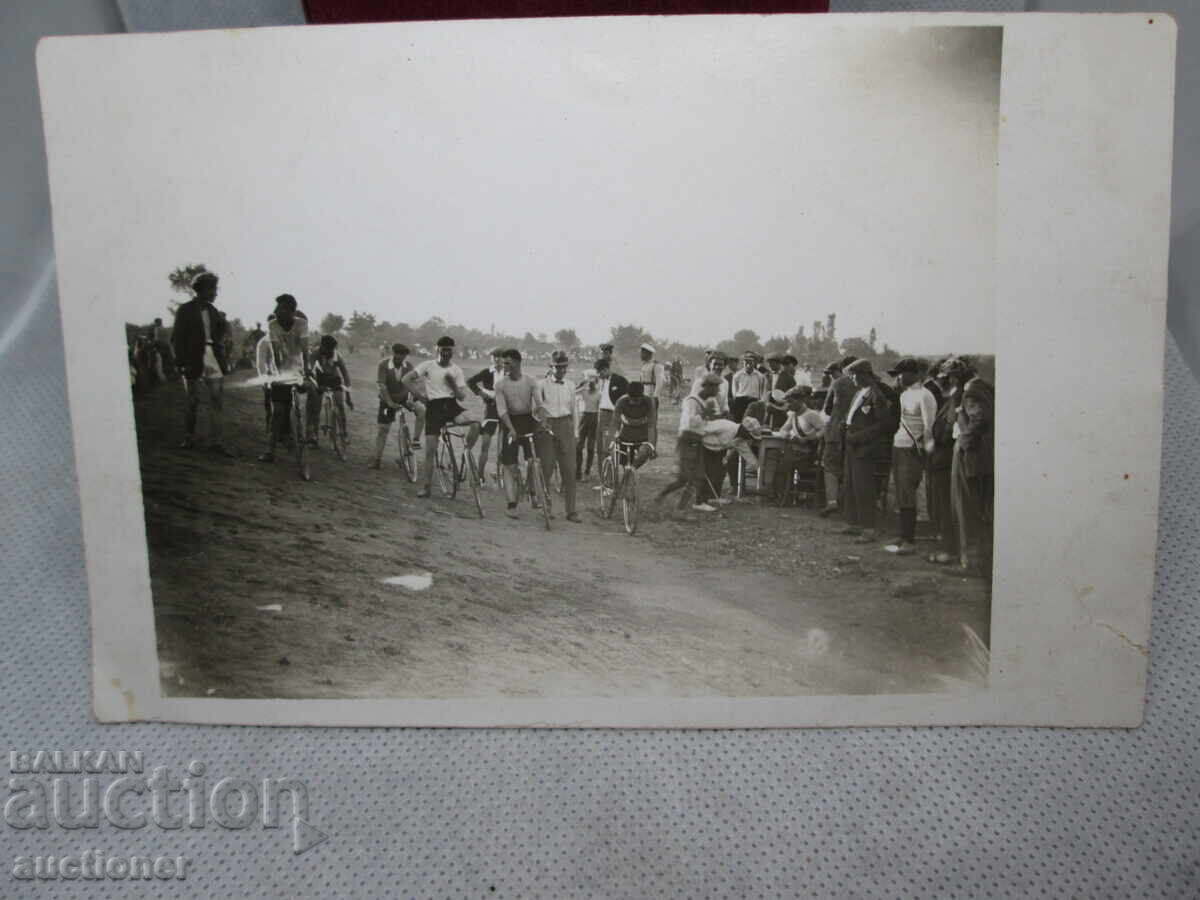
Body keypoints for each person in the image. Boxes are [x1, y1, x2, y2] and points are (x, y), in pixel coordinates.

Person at [402, 336, 480, 499]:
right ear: (437, 349)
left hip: (451, 405)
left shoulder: (457, 370)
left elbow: (461, 397)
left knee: (476, 424)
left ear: (453, 350)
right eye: (443, 349)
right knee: (430, 450)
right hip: (434, 408)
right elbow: (406, 379)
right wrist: (420, 396)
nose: (446, 353)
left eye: (449, 349)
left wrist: (452, 385)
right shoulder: (427, 365)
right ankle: (426, 487)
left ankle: (462, 458)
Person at [169, 272, 234, 456]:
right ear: (201, 289)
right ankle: (189, 438)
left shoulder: (213, 311)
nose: (215, 293)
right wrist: (181, 362)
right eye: (212, 289)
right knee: (192, 400)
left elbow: (220, 336)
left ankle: (217, 441)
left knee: (217, 400)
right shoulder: (185, 310)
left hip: (212, 356)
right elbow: (177, 339)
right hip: (192, 358)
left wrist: (223, 358)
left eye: (215, 288)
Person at [840, 358, 899, 543]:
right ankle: (853, 522)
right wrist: (846, 424)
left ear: (865, 374)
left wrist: (859, 437)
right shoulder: (860, 392)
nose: (852, 379)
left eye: (854, 375)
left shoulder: (878, 393)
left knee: (864, 486)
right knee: (851, 483)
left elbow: (884, 424)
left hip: (865, 446)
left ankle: (868, 528)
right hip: (852, 442)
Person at [884, 357, 937, 555]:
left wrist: (926, 450)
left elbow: (929, 426)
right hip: (899, 445)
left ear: (914, 374)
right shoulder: (905, 395)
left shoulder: (925, 395)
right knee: (900, 491)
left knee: (908, 491)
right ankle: (903, 534)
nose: (899, 377)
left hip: (913, 449)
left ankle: (910, 539)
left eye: (902, 373)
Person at [926, 357, 972, 565]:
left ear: (954, 378)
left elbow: (949, 428)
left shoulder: (957, 397)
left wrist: (935, 442)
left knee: (945, 505)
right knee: (942, 504)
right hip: (942, 455)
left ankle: (949, 549)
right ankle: (948, 547)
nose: (941, 381)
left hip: (944, 455)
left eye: (945, 377)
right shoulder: (954, 395)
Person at [656, 373, 723, 512]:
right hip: (687, 439)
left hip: (698, 440)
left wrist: (711, 417)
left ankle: (680, 509)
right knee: (683, 478)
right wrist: (705, 415)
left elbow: (703, 422)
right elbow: (689, 423)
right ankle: (661, 495)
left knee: (698, 477)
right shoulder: (691, 401)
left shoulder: (705, 402)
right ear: (707, 387)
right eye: (716, 388)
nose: (718, 391)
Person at [494, 349, 548, 519]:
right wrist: (511, 429)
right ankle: (511, 504)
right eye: (503, 363)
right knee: (509, 465)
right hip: (509, 422)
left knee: (534, 460)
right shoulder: (500, 385)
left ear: (518, 363)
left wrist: (543, 420)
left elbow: (539, 404)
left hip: (527, 421)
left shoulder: (531, 381)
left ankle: (533, 491)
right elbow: (502, 410)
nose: (504, 366)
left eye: (508, 363)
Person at [950, 371, 994, 579]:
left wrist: (963, 445)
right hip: (983, 459)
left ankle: (972, 562)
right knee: (980, 510)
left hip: (971, 459)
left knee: (967, 509)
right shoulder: (983, 389)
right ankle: (979, 560)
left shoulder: (971, 391)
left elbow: (978, 418)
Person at [537, 351, 581, 521]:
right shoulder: (541, 385)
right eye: (558, 367)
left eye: (564, 367)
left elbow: (574, 411)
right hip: (547, 427)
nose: (561, 370)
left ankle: (571, 511)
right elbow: (536, 408)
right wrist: (542, 422)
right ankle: (546, 508)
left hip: (566, 427)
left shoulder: (570, 385)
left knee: (569, 470)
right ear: (551, 367)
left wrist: (575, 433)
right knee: (546, 468)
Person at [371, 343, 426, 469]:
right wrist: (390, 402)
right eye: (398, 354)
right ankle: (377, 459)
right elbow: (382, 385)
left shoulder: (408, 366)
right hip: (387, 400)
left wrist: (411, 399)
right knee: (383, 429)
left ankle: (415, 441)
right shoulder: (383, 365)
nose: (400, 358)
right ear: (393, 353)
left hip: (404, 398)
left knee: (422, 410)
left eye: (404, 355)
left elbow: (414, 384)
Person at [768, 386, 826, 503]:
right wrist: (789, 436)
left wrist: (810, 438)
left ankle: (780, 496)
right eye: (788, 402)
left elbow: (823, 431)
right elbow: (783, 430)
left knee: (782, 466)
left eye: (791, 401)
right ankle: (778, 494)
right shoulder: (793, 416)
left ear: (801, 400)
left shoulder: (811, 415)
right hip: (795, 451)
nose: (789, 405)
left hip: (807, 453)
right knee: (774, 458)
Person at [818, 356, 858, 517]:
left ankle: (832, 502)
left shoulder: (838, 383)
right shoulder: (865, 386)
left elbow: (827, 409)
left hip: (835, 431)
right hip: (854, 432)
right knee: (848, 467)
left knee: (829, 465)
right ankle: (848, 503)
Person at [467, 349, 506, 485]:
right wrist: (481, 393)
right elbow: (470, 382)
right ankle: (480, 475)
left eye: (500, 357)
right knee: (486, 443)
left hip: (506, 410)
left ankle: (500, 473)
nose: (497, 360)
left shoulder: (509, 373)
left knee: (505, 444)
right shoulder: (486, 372)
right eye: (495, 357)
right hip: (491, 409)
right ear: (491, 359)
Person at [306, 334, 352, 446]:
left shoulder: (337, 356)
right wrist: (315, 384)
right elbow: (310, 371)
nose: (330, 351)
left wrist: (348, 396)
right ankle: (313, 436)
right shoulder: (315, 353)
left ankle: (344, 432)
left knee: (340, 405)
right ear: (322, 346)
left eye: (332, 349)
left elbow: (345, 375)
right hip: (319, 380)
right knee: (314, 407)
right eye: (328, 349)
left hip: (334, 380)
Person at [612, 380, 656, 470]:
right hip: (625, 435)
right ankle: (627, 473)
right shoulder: (621, 402)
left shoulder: (649, 401)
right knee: (624, 460)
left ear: (642, 396)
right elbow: (615, 422)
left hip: (643, 437)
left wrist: (651, 445)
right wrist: (615, 434)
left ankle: (632, 470)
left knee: (644, 452)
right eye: (631, 399)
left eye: (637, 400)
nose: (634, 402)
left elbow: (651, 426)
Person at [594, 357, 629, 456]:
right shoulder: (600, 381)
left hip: (612, 415)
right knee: (600, 447)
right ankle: (603, 471)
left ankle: (610, 471)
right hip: (601, 415)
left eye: (599, 372)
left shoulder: (620, 380)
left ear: (605, 369)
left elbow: (626, 398)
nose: (598, 375)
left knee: (608, 447)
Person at [574, 369, 601, 481]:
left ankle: (587, 471)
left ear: (596, 381)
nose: (591, 383)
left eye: (593, 381)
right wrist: (581, 384)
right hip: (583, 418)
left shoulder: (599, 394)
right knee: (579, 446)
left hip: (594, 418)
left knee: (590, 447)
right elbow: (572, 392)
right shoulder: (583, 391)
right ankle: (578, 471)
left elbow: (600, 409)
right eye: (589, 380)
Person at [731, 351, 768, 422]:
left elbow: (762, 390)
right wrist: (736, 399)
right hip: (740, 401)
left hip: (754, 401)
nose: (748, 365)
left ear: (754, 363)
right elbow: (734, 392)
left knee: (752, 422)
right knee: (739, 422)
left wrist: (761, 401)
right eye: (746, 362)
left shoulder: (759, 376)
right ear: (743, 363)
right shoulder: (737, 375)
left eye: (750, 362)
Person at [638, 343, 666, 421]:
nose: (640, 355)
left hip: (651, 394)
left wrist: (655, 396)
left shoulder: (657, 365)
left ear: (648, 353)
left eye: (642, 353)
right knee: (642, 417)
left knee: (651, 419)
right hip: (642, 394)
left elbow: (659, 382)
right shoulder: (644, 365)